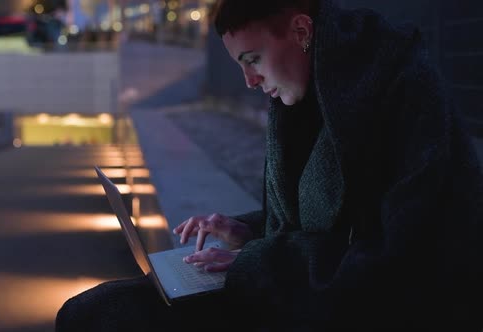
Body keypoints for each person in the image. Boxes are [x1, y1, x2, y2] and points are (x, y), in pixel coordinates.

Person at [55, 0, 482, 331]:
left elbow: (405, 255)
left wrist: (259, 262)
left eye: (253, 59)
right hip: (291, 288)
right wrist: (246, 232)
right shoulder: (303, 96)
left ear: (301, 30)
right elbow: (311, 222)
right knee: (91, 310)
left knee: (101, 318)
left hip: (361, 307)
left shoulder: (402, 88)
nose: (249, 82)